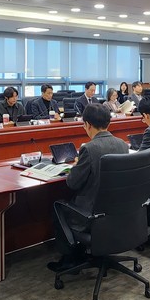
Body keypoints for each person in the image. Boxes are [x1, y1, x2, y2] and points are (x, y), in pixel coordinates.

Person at [47, 104, 128, 271]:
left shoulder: (89, 149)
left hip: (92, 215)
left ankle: (70, 259)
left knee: (58, 206)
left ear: (87, 125)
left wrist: (76, 166)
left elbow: (72, 183)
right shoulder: (122, 145)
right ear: (108, 123)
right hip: (119, 212)